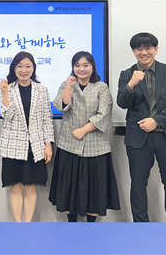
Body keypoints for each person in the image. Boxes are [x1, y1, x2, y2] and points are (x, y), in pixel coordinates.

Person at [116, 32, 166, 223]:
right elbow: (122, 103)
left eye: (148, 48)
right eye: (139, 49)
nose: (144, 52)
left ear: (156, 49)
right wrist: (131, 85)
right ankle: (140, 225)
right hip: (138, 138)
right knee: (138, 184)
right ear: (133, 52)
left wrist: (156, 120)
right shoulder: (127, 74)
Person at [49, 51, 119, 222]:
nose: (81, 69)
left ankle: (91, 225)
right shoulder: (66, 84)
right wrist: (68, 87)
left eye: (85, 65)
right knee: (68, 188)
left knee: (95, 189)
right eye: (77, 65)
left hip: (96, 146)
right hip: (69, 144)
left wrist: (84, 130)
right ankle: (71, 224)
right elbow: (61, 106)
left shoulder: (101, 87)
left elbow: (104, 113)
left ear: (93, 67)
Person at [0, 52, 54, 222]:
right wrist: (5, 93)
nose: (24, 70)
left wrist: (48, 143)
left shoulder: (42, 90)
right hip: (13, 145)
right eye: (20, 66)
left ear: (33, 68)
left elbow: (47, 118)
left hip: (35, 145)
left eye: (28, 66)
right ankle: (18, 224)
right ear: (14, 68)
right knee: (15, 186)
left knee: (31, 187)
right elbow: (7, 115)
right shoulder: (7, 88)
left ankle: (28, 224)